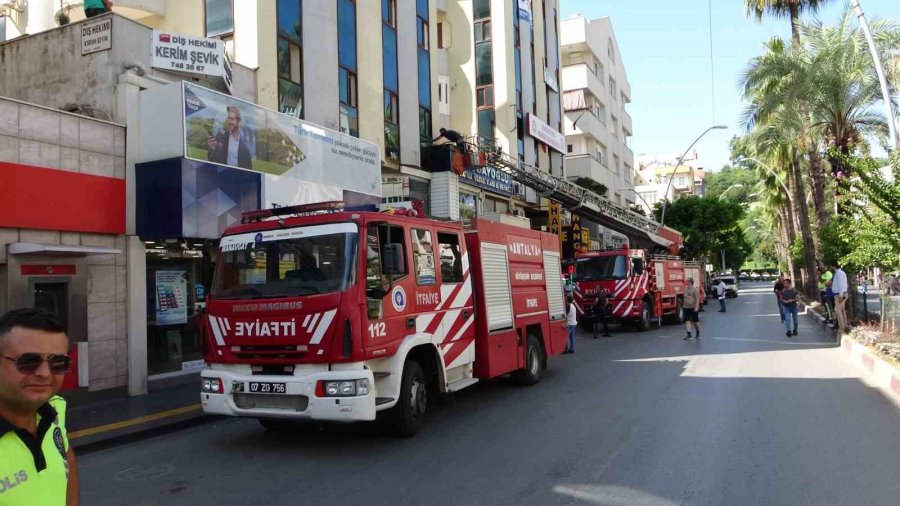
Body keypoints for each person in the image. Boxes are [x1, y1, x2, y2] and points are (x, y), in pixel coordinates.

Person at [0, 308, 78, 505]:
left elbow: (66, 458)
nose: (44, 373)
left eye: (57, 362)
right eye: (28, 361)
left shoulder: (54, 409)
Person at [208, 106, 253, 170]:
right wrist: (212, 148)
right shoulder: (220, 137)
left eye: (232, 119)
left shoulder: (245, 148)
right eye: (228, 119)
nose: (229, 122)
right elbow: (211, 160)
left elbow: (248, 171)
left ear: (239, 121)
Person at [831, 262, 849, 333]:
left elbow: (841, 284)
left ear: (833, 266)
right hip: (840, 294)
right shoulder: (839, 273)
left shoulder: (839, 273)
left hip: (840, 294)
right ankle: (845, 326)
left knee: (837, 310)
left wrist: (841, 295)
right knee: (842, 310)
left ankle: (842, 328)